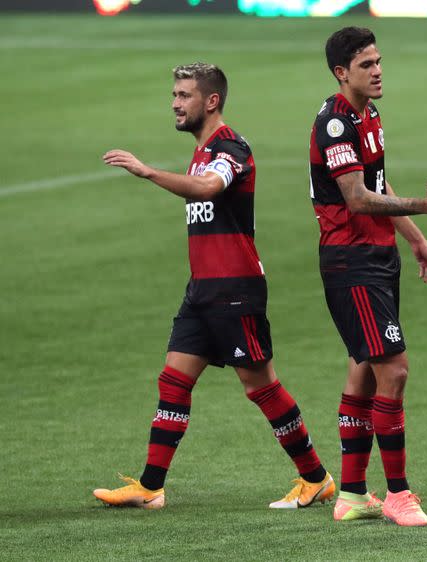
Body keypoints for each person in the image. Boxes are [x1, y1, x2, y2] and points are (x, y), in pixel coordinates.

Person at [94, 62, 333, 510]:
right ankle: (150, 487)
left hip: (235, 290)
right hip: (202, 290)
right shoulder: (202, 149)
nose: (175, 103)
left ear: (211, 101)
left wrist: (148, 173)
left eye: (184, 95)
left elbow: (207, 189)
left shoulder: (231, 148)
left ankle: (315, 478)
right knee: (173, 381)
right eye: (175, 94)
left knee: (261, 387)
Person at [309, 27, 427, 527]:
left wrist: (416, 238)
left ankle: (353, 493)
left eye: (379, 61)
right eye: (366, 65)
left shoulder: (370, 115)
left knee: (364, 366)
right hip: (351, 262)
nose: (377, 71)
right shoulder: (336, 122)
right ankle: (397, 492)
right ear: (341, 73)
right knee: (393, 370)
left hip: (378, 257)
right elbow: (356, 198)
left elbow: (379, 184)